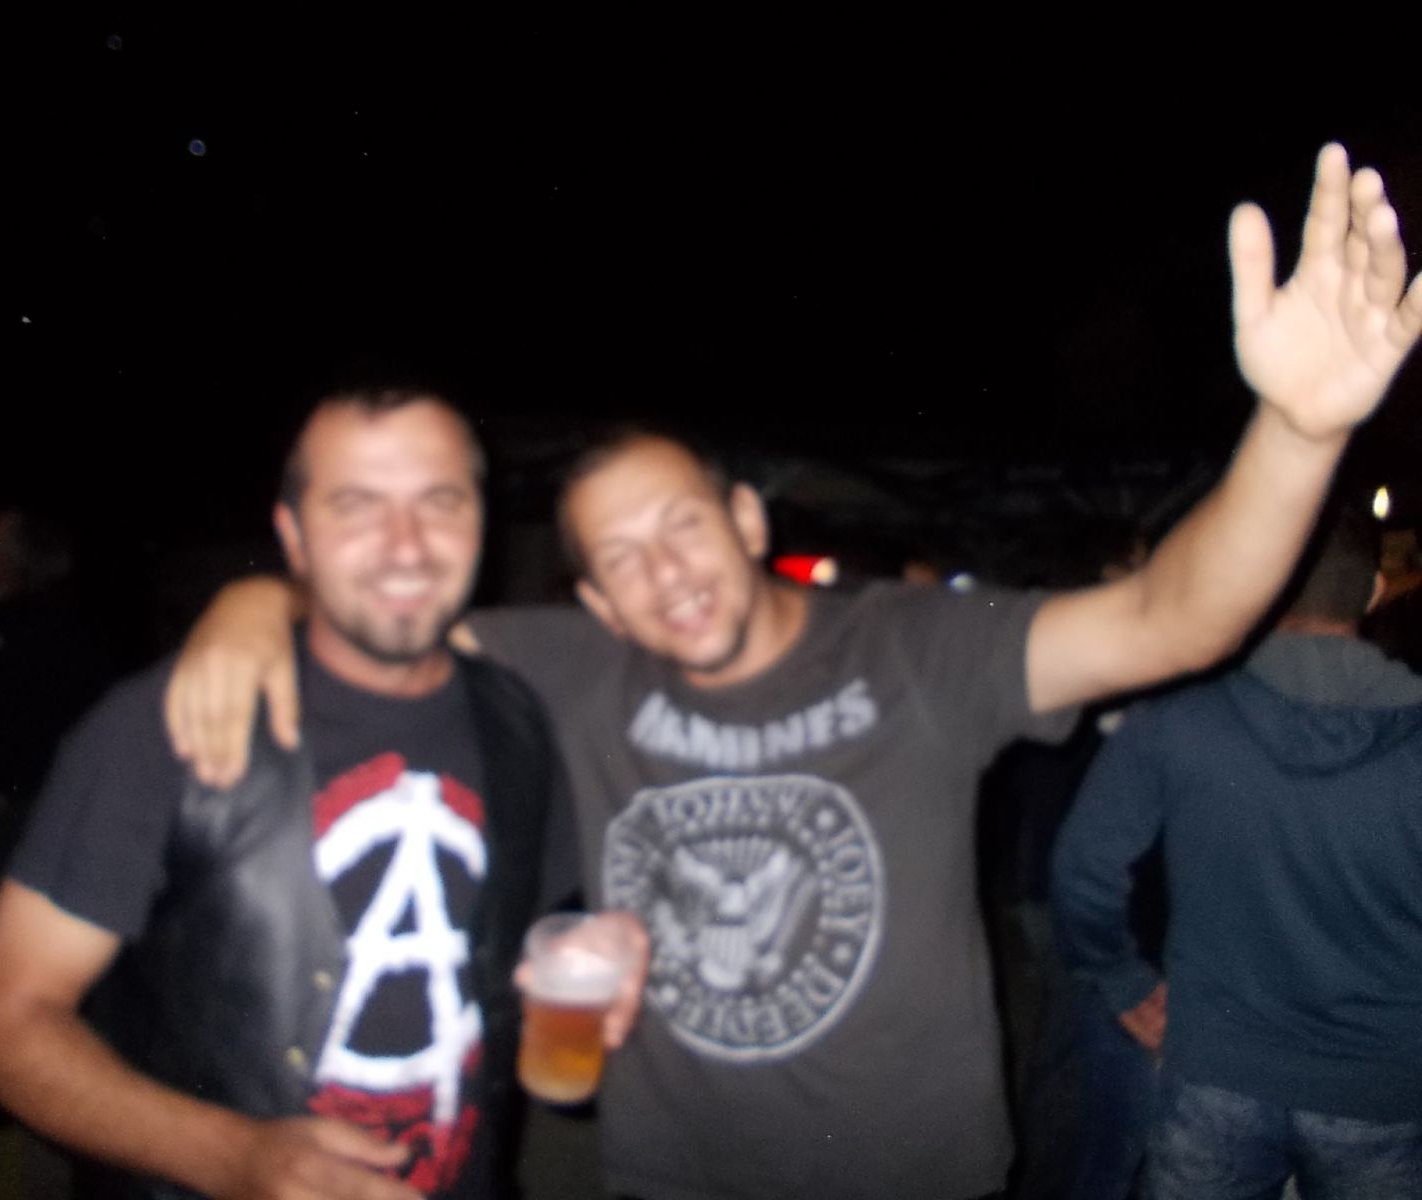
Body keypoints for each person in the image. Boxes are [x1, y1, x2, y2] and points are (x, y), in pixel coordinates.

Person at [164, 145, 1422, 1198]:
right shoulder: (578, 667)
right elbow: (377, 628)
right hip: (674, 1180)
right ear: (592, 599)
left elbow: (1171, 619)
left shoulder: (915, 647)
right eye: (619, 558)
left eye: (682, 525)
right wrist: (253, 599)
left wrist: (1296, 429)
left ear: (748, 521)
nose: (663, 572)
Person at [0, 388, 645, 1199]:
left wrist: (599, 947)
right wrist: (232, 1156)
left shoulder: (515, 720)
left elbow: (505, 943)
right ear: (293, 537)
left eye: (440, 501)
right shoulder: (164, 725)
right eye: (357, 505)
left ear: (480, 522)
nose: (406, 544)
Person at [1050, 505, 1422, 1199]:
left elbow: (1083, 870)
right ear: (1375, 590)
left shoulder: (1179, 714)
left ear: (1264, 585)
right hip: (1383, 1088)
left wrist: (1124, 983)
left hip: (1216, 1075)